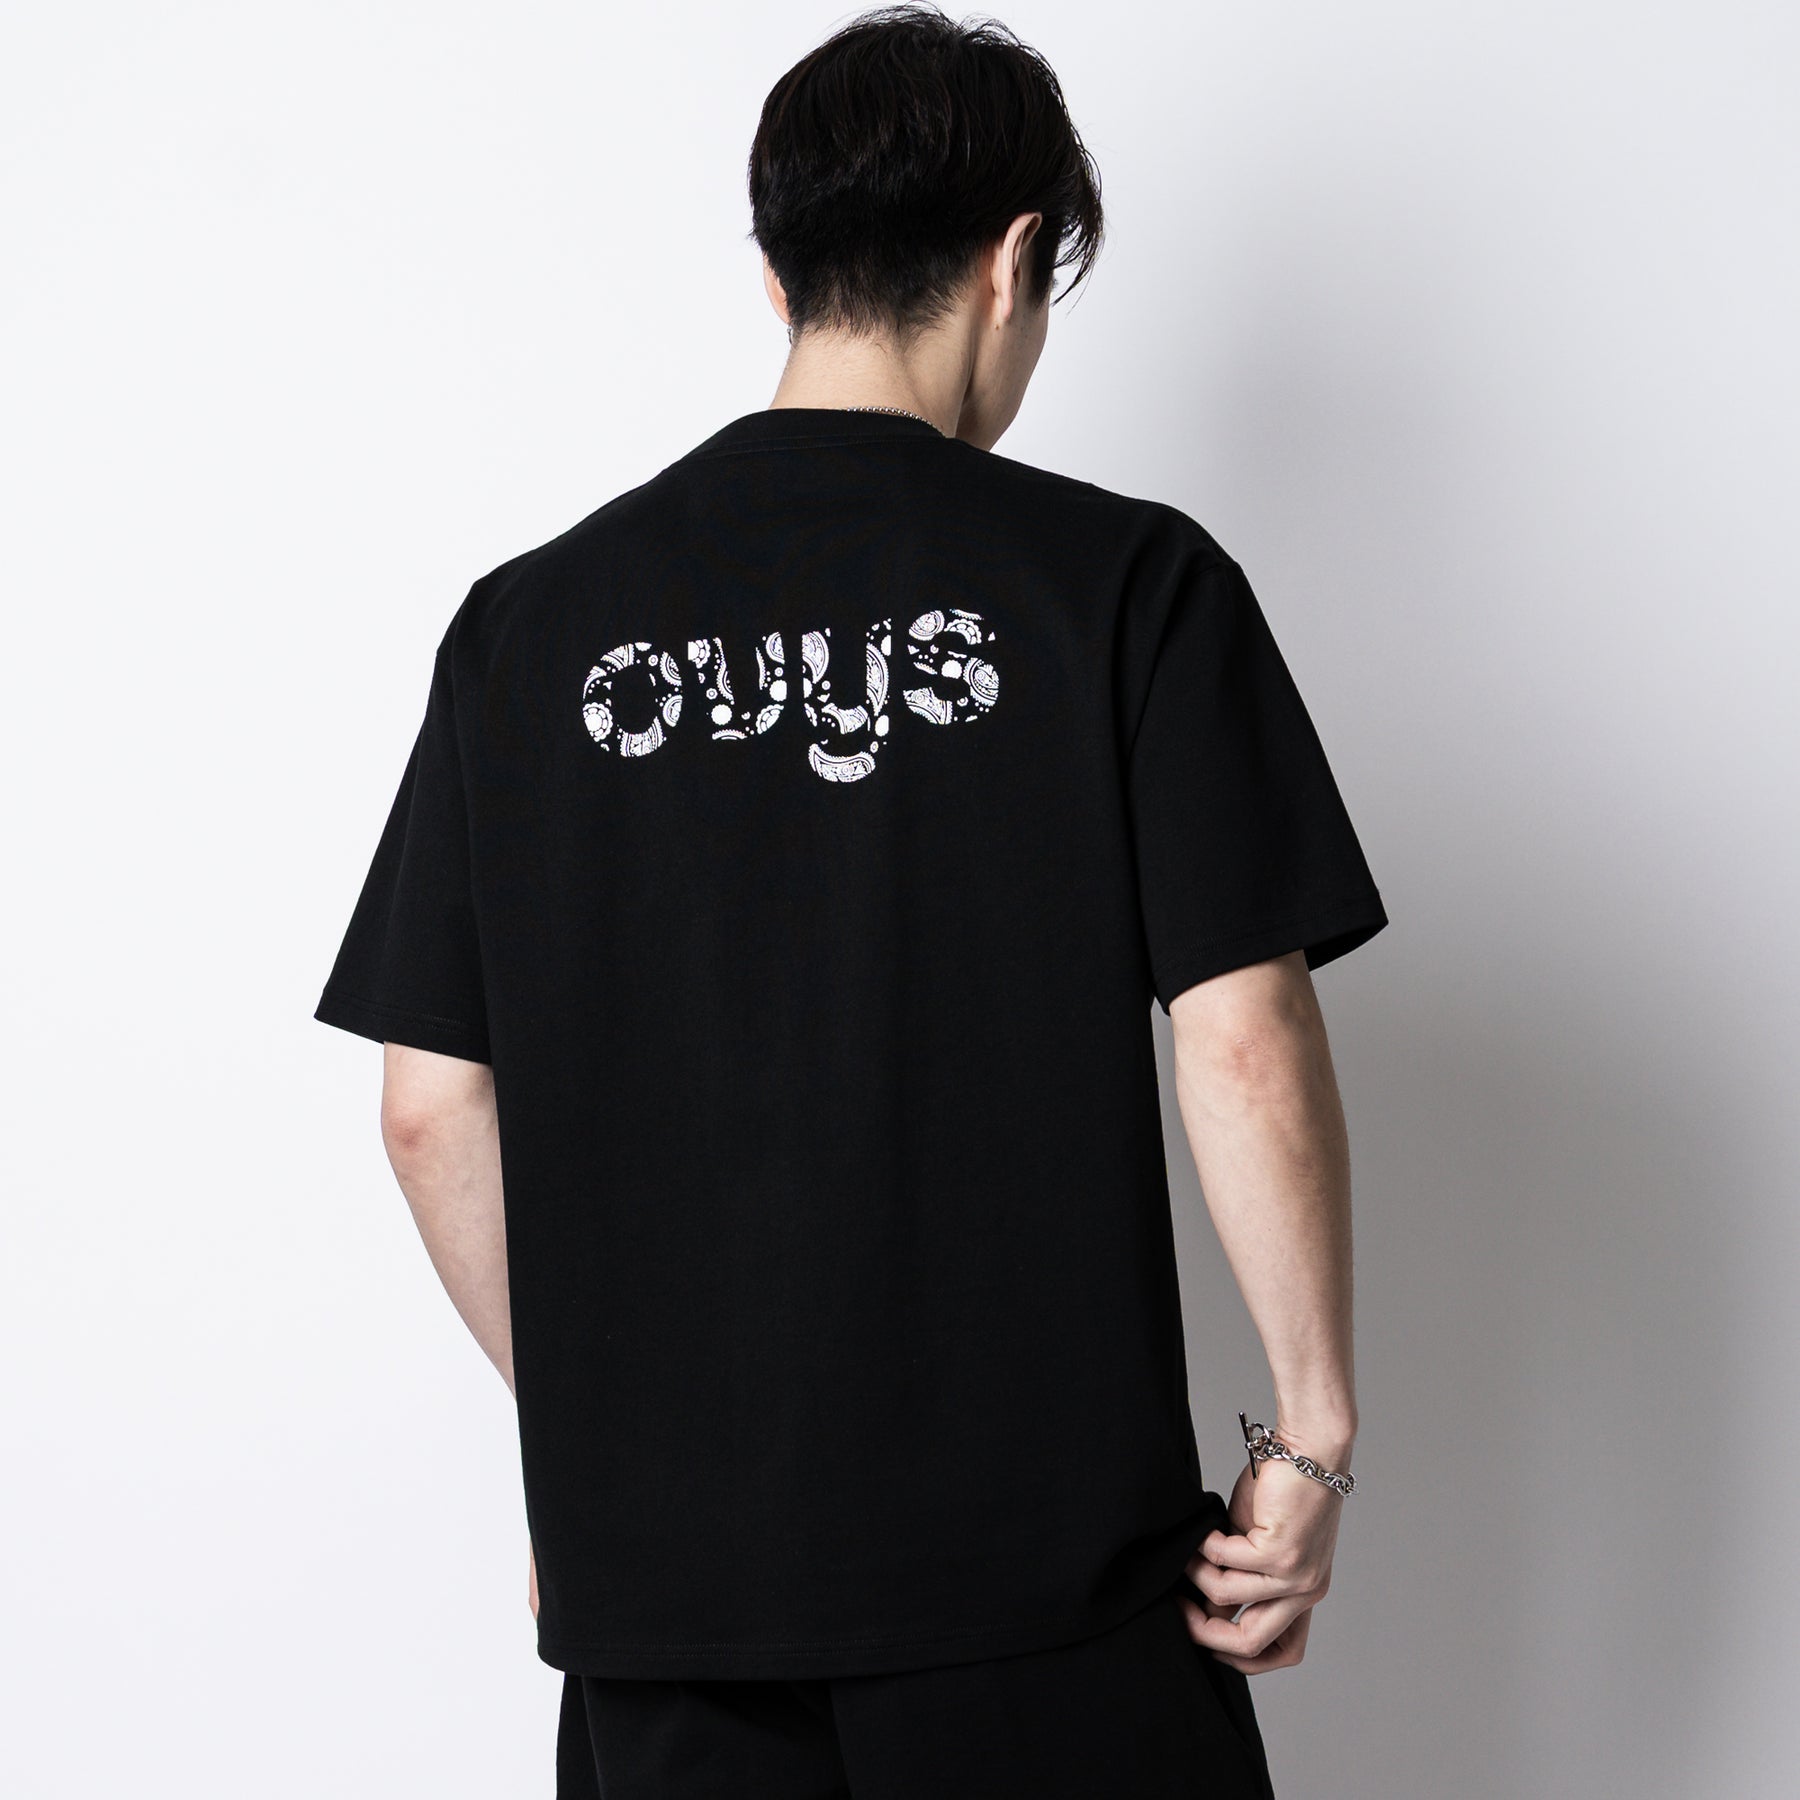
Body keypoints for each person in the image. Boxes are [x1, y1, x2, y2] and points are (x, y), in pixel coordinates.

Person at [315, 6, 1387, 1794]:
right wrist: (1311, 1434)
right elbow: (1247, 1040)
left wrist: (599, 1453)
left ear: (777, 273)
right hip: (1050, 1608)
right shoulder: (1129, 586)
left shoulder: (526, 627)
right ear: (1017, 261)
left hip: (673, 1630)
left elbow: (430, 1109)